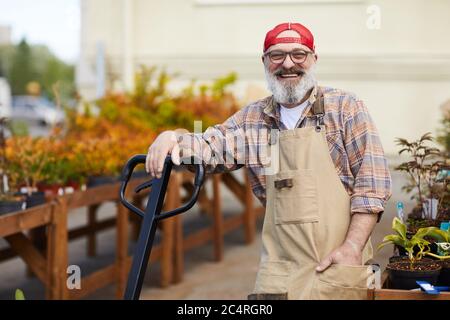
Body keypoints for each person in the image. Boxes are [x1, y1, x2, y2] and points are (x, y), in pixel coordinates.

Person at [145, 22, 392, 300]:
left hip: (339, 264)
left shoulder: (345, 108)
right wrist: (173, 138)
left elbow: (372, 185)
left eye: (298, 54)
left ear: (314, 59)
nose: (288, 64)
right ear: (265, 61)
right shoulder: (254, 119)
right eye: (277, 55)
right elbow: (210, 146)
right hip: (279, 273)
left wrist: (352, 247)